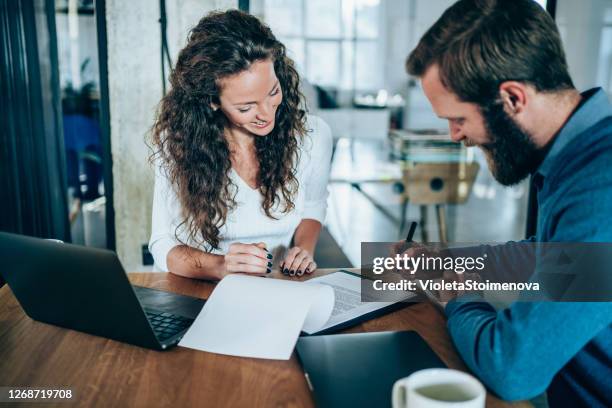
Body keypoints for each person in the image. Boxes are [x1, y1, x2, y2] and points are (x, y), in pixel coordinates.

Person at [404, 0, 612, 406]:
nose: (454, 136)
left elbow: (513, 369)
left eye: (458, 118)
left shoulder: (600, 189)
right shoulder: (579, 157)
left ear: (513, 98)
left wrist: (452, 292)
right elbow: (549, 257)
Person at [149, 10, 332, 280]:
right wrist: (220, 265)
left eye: (273, 92)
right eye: (246, 107)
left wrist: (302, 251)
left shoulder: (314, 136)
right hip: (198, 289)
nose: (267, 113)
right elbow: (162, 244)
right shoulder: (177, 144)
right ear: (212, 101)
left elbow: (314, 207)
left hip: (275, 287)